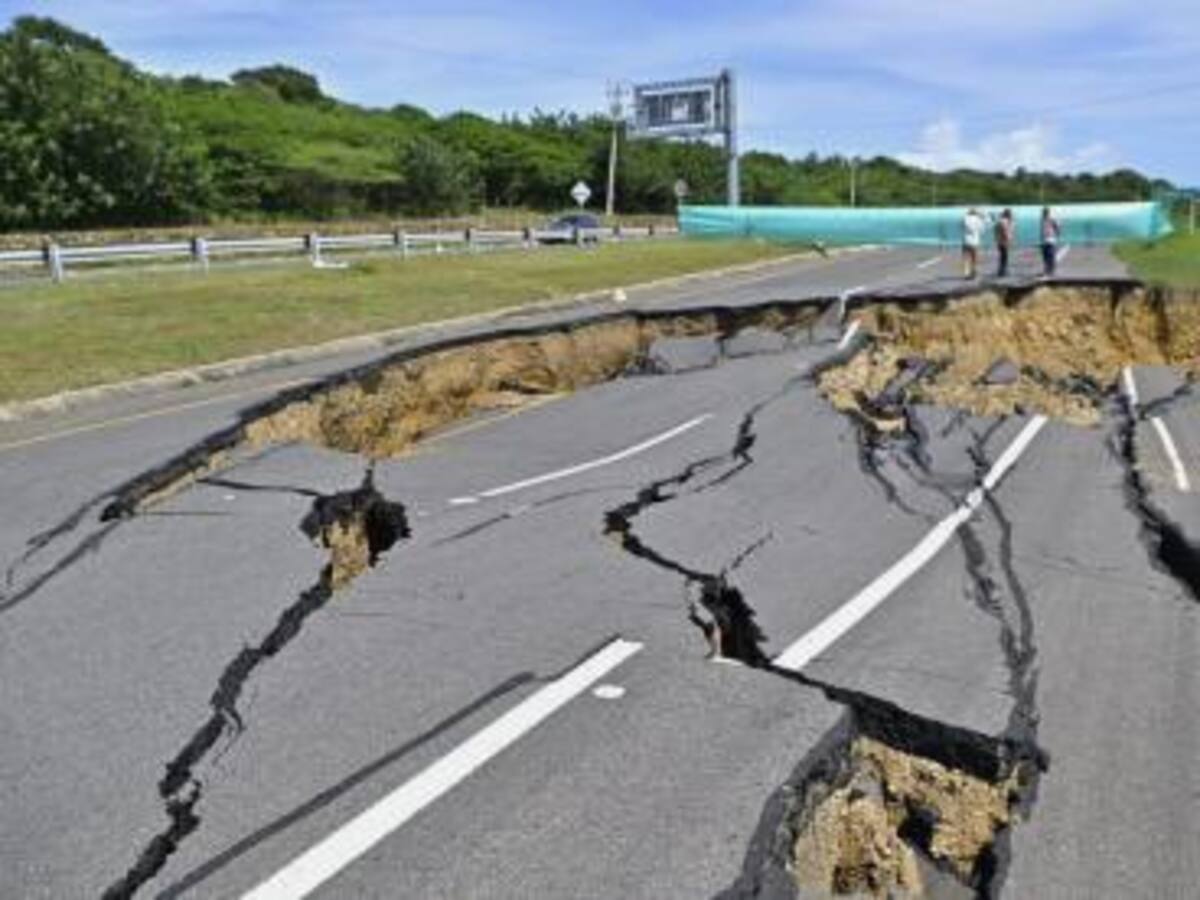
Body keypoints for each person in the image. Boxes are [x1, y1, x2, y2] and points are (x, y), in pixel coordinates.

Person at [962, 207, 985, 279]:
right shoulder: (978, 219)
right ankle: (974, 272)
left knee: (966, 258)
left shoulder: (965, 218)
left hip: (966, 240)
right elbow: (982, 230)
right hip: (975, 241)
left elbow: (961, 227)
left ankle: (966, 273)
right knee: (974, 258)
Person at [1040, 207, 1061, 277]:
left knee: (1051, 255)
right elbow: (1043, 230)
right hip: (1044, 240)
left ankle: (1052, 270)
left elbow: (1057, 226)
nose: (1043, 213)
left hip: (1051, 239)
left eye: (1044, 212)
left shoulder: (1051, 219)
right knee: (1045, 256)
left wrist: (1057, 233)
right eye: (1043, 212)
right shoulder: (1042, 219)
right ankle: (1047, 269)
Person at [994, 208, 1015, 277]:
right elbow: (1004, 231)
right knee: (1004, 256)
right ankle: (1002, 271)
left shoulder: (1001, 221)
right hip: (1003, 241)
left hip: (1000, 241)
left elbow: (997, 230)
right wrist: (1007, 238)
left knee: (1003, 256)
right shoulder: (1004, 221)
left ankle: (1002, 270)